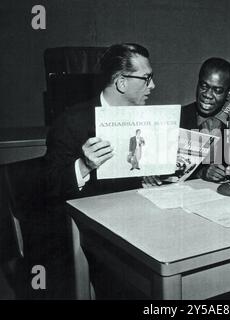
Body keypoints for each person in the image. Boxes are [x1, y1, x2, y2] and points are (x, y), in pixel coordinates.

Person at [43, 43, 159, 298]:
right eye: (147, 78)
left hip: (142, 224)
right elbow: (49, 187)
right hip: (94, 237)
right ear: (121, 82)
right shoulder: (71, 122)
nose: (152, 86)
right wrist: (84, 165)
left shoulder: (148, 119)